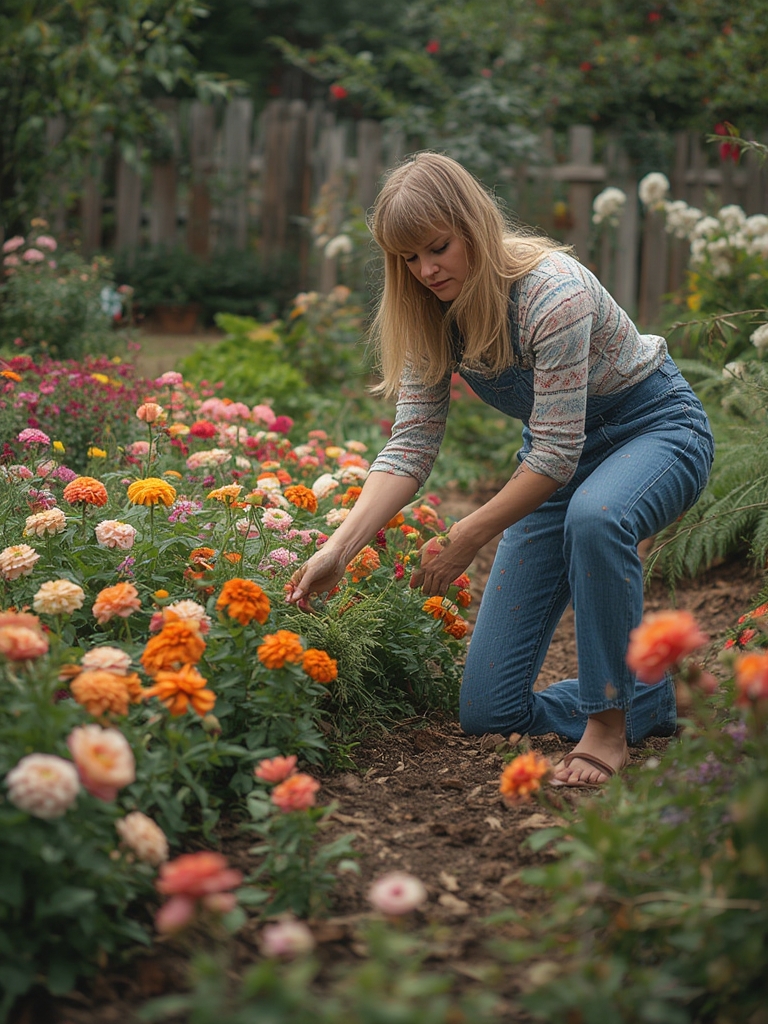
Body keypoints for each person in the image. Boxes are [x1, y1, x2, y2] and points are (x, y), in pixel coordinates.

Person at [286, 151, 715, 787]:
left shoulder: (553, 293)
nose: (425, 270)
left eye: (437, 248)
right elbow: (409, 447)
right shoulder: (429, 311)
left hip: (656, 430)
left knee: (598, 518)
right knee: (489, 712)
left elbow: (553, 457)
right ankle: (650, 697)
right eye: (408, 257)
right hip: (557, 460)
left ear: (475, 226)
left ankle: (607, 724)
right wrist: (340, 548)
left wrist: (465, 536)